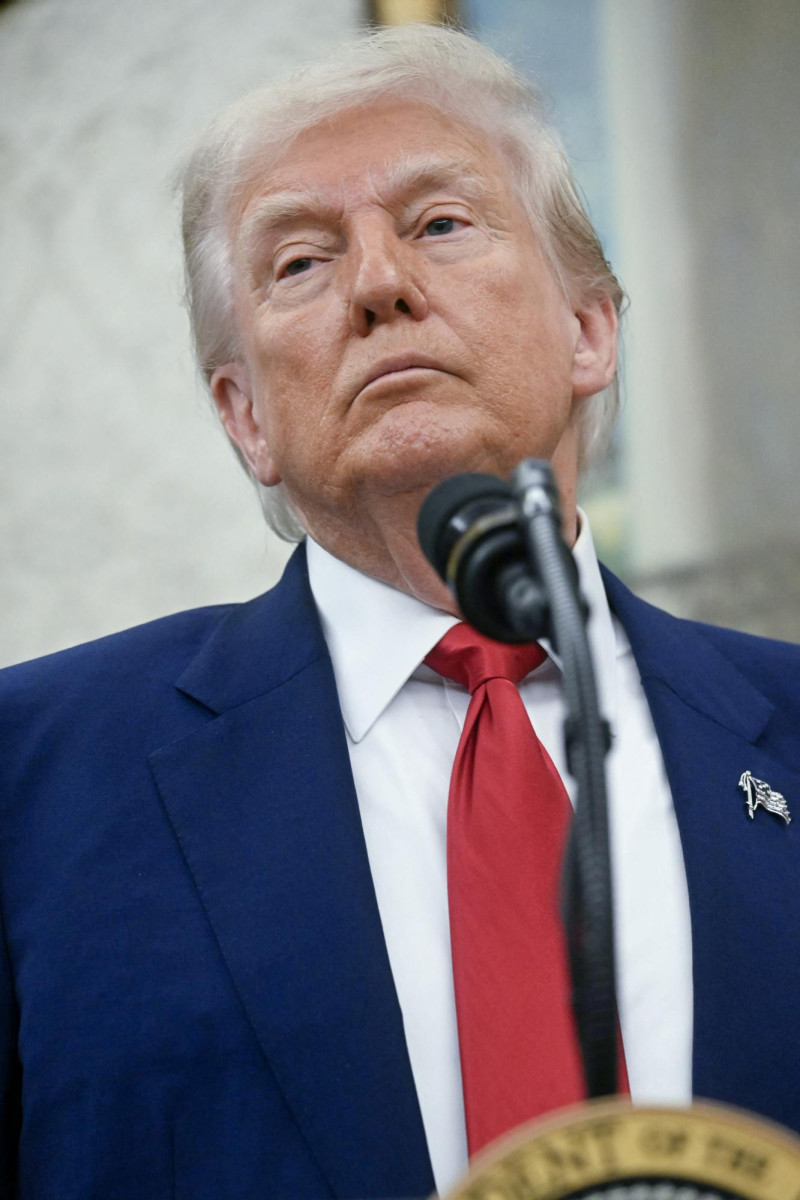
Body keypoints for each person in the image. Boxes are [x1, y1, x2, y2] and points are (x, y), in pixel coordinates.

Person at [2, 23, 800, 1200]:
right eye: (300, 263)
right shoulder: (34, 775)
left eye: (436, 224)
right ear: (244, 417)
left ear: (589, 330)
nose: (378, 284)